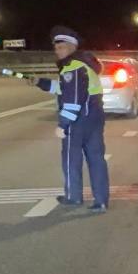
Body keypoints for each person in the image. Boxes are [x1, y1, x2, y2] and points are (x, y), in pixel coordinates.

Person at [34, 26, 110, 212]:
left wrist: (63, 124)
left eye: (61, 47)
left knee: (70, 160)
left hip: (78, 122)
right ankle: (101, 200)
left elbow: (73, 100)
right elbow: (64, 88)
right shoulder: (86, 66)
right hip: (94, 119)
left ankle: (73, 196)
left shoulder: (72, 68)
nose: (57, 51)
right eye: (56, 48)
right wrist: (40, 82)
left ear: (71, 47)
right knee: (96, 160)